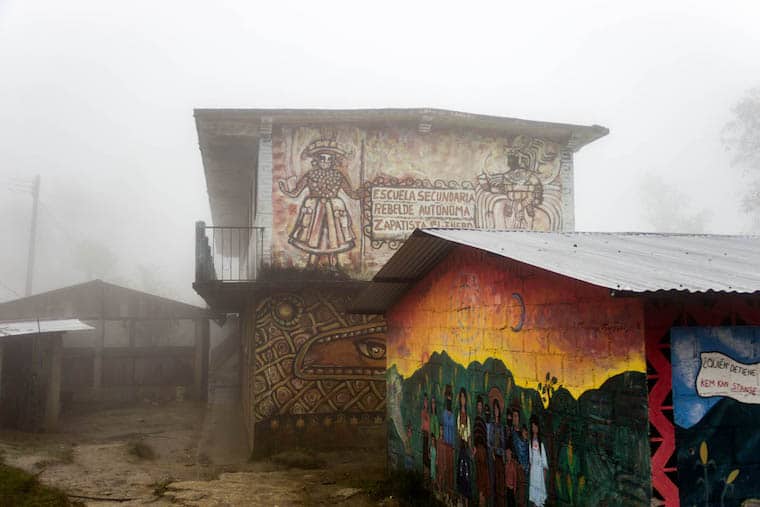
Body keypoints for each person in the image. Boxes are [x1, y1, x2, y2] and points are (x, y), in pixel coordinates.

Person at [278, 137, 361, 269]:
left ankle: (333, 266)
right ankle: (311, 265)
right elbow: (295, 193)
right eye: (322, 158)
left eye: (329, 159)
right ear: (317, 160)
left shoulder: (338, 175)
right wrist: (284, 189)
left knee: (333, 237)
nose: (325, 162)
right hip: (314, 210)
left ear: (332, 161)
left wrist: (364, 192)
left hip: (333, 210)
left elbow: (351, 193)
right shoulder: (311, 175)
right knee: (314, 236)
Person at [456, 388, 473, 504]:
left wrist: (470, 448)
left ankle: (466, 500)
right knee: (461, 473)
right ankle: (462, 499)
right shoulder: (459, 415)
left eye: (464, 397)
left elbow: (469, 435)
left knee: (466, 474)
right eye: (461, 397)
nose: (462, 400)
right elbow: (458, 432)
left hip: (466, 448)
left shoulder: (467, 416)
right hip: (461, 447)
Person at [488, 399, 507, 506]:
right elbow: (489, 441)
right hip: (493, 456)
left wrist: (500, 452)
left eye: (497, 409)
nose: (496, 411)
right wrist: (492, 452)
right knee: (493, 481)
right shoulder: (491, 425)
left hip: (500, 456)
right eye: (494, 409)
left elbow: (503, 443)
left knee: (501, 482)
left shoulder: (501, 426)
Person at [528, 416, 549, 507]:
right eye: (532, 427)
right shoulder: (531, 441)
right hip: (533, 473)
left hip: (540, 474)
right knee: (534, 499)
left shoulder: (541, 442)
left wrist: (543, 477)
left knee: (540, 499)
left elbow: (544, 461)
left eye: (535, 426)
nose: (534, 429)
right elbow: (530, 458)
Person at [473, 395, 490, 506]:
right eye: (478, 406)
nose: (479, 407)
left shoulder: (483, 420)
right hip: (478, 450)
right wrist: (475, 448)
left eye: (481, 406)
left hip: (483, 451)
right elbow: (475, 435)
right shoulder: (476, 420)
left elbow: (485, 436)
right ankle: (481, 500)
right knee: (480, 476)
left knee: (484, 476)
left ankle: (483, 500)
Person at [511, 409, 529, 507]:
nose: (514, 419)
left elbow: (524, 450)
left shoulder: (523, 434)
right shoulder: (512, 432)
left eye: (516, 416)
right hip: (514, 466)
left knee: (521, 494)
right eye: (513, 416)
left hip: (521, 468)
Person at [441, 385, 456, 493]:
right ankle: (447, 488)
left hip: (451, 445)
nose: (448, 401)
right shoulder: (444, 414)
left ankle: (450, 488)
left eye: (450, 398)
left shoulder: (452, 415)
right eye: (447, 398)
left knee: (451, 467)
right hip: (446, 444)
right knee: (446, 466)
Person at [429, 396, 440, 488]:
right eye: (431, 403)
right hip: (431, 445)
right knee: (432, 468)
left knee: (435, 468)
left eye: (434, 403)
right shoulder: (431, 417)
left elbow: (436, 434)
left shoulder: (435, 417)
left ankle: (436, 484)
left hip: (435, 444)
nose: (433, 405)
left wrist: (435, 443)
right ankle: (433, 483)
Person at [421, 394, 431, 479]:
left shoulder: (429, 413)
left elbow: (429, 426)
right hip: (424, 436)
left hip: (428, 436)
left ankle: (428, 474)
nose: (425, 403)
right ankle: (425, 474)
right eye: (424, 401)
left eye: (426, 401)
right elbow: (422, 425)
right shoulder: (423, 412)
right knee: (424, 455)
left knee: (428, 455)